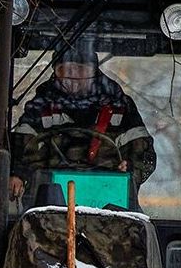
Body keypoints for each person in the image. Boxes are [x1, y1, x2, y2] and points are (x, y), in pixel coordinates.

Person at [10, 40, 156, 205]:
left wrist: (129, 169)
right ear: (55, 72)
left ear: (93, 72)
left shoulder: (120, 107)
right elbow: (19, 148)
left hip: (110, 208)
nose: (72, 76)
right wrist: (17, 174)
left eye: (80, 69)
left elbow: (143, 155)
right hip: (49, 207)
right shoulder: (41, 105)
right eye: (65, 69)